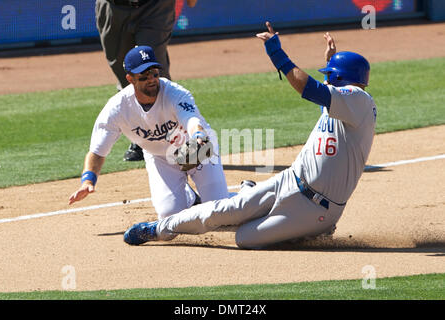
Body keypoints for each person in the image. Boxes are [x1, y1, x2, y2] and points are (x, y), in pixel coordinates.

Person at [123, 22, 377, 249]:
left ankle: (310, 228)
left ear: (339, 78)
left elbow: (311, 89)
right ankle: (156, 229)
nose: (327, 79)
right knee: (221, 210)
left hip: (315, 208)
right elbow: (327, 95)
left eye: (330, 74)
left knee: (245, 237)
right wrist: (332, 60)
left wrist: (278, 55)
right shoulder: (345, 108)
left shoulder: (360, 101)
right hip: (288, 181)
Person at [68, 45, 230, 219]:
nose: (151, 79)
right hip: (160, 158)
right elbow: (98, 152)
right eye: (144, 76)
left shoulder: (176, 94)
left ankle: (246, 191)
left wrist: (198, 135)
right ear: (130, 78)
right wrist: (88, 181)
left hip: (195, 149)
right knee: (169, 216)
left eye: (154, 73)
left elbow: (191, 120)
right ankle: (189, 198)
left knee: (219, 212)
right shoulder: (118, 108)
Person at [95, 0, 198, 161]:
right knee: (125, 73)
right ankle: (142, 134)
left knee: (152, 70)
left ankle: (178, 137)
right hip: (113, 7)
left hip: (155, 6)